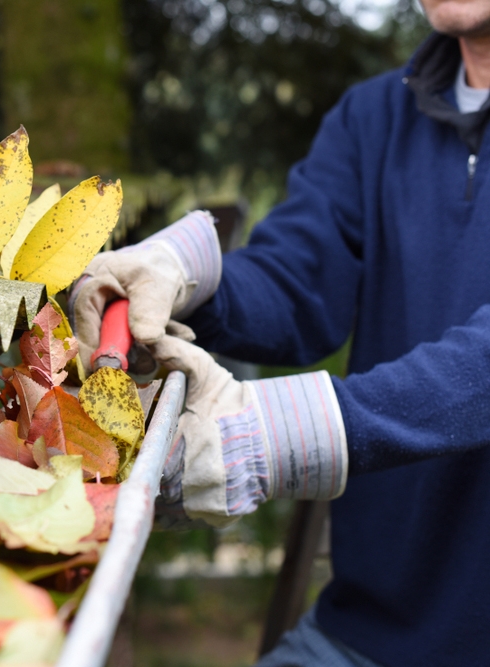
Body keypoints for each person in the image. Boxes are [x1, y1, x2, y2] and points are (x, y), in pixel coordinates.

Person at [70, 1, 490, 664]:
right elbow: (300, 282)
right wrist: (189, 272)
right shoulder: (373, 118)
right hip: (361, 634)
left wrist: (269, 434)